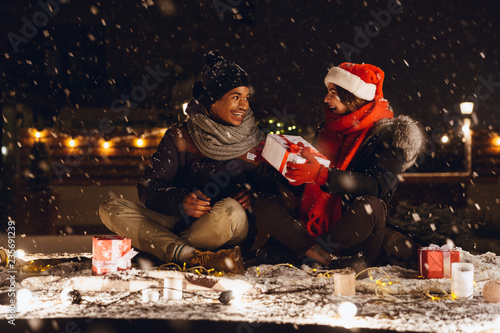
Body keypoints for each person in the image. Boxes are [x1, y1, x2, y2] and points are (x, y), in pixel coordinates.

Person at [99, 51, 271, 274]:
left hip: (223, 226)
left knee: (231, 211)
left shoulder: (256, 142)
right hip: (178, 220)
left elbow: (274, 193)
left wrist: (254, 197)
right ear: (212, 101)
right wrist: (181, 200)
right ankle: (190, 255)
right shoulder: (180, 136)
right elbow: (149, 187)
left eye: (246, 97)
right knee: (110, 207)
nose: (244, 106)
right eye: (235, 97)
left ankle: (164, 248)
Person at [253, 62, 424, 269]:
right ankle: (311, 251)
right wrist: (277, 161)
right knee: (261, 198)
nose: (326, 99)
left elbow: (377, 186)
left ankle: (318, 252)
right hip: (310, 227)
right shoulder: (327, 130)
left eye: (333, 92)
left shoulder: (389, 134)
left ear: (353, 95)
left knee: (370, 206)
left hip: (355, 235)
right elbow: (306, 188)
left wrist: (325, 176)